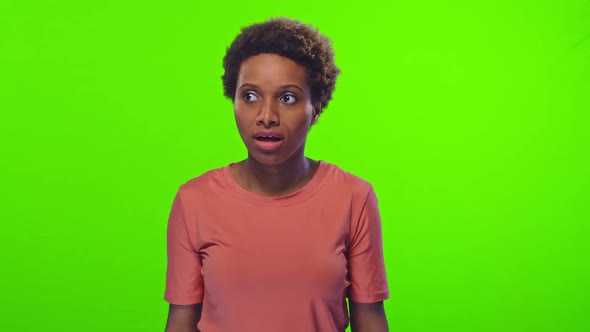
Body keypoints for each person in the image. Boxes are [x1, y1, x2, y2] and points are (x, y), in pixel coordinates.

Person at [164, 17, 389, 332]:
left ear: (317, 107)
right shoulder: (194, 200)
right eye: (250, 96)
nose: (266, 116)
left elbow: (370, 321)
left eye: (288, 98)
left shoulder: (354, 197)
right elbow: (180, 323)